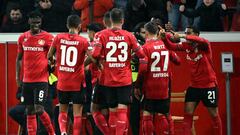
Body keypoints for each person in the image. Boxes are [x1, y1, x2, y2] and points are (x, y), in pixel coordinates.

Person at [89, 8, 145, 135]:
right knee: (122, 110)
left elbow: (96, 54)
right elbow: (141, 54)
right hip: (124, 80)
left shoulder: (101, 35)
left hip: (107, 79)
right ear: (122, 21)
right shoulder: (129, 35)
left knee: (112, 110)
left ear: (110, 20)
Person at [161, 26, 222, 135]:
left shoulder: (205, 46)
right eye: (185, 32)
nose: (186, 35)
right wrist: (164, 38)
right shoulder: (186, 46)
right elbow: (170, 46)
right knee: (188, 113)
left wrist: (182, 35)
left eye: (189, 33)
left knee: (214, 114)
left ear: (197, 34)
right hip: (194, 87)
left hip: (209, 86)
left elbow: (202, 40)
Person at [134, 21, 180, 135]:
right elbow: (178, 61)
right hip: (164, 87)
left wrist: (137, 85)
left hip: (150, 87)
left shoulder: (145, 48)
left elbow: (143, 69)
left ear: (147, 33)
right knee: (165, 114)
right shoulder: (165, 45)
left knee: (147, 114)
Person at [47, 15, 90, 135]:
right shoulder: (83, 41)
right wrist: (82, 64)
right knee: (77, 113)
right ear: (80, 27)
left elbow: (49, 56)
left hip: (63, 82)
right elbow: (93, 57)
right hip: (77, 82)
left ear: (67, 25)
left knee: (63, 110)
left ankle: (63, 131)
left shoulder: (59, 38)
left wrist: (54, 62)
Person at [16, 11, 55, 135]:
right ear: (29, 22)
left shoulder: (48, 37)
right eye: (33, 22)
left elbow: (53, 56)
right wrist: (18, 77)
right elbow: (19, 58)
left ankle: (52, 133)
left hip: (41, 80)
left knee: (39, 109)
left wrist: (52, 64)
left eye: (38, 22)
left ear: (41, 22)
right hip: (27, 80)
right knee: (29, 110)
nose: (36, 25)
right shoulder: (23, 38)